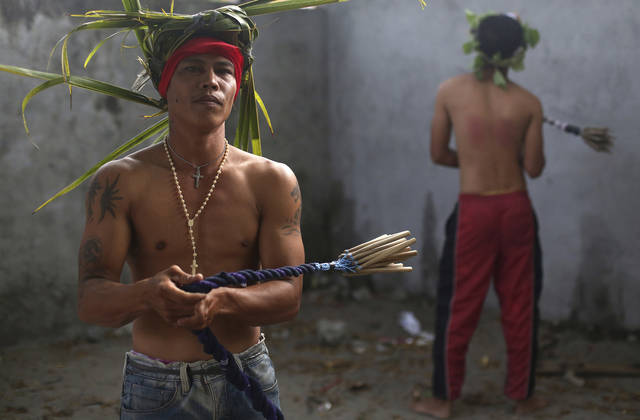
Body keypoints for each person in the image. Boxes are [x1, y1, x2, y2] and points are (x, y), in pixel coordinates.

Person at [76, 34, 304, 419]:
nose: (210, 81)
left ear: (236, 89)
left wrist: (223, 300)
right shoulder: (120, 181)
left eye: (223, 71)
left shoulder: (272, 181)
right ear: (165, 85)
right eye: (192, 69)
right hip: (157, 384)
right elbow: (90, 301)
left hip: (247, 377)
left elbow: (288, 295)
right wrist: (149, 294)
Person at [412, 12, 546, 418]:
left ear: (476, 43)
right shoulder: (528, 102)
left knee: (458, 305)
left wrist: (471, 160)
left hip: (475, 210)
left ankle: (443, 399)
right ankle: (523, 399)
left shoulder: (450, 92)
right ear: (518, 52)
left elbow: (437, 153)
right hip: (516, 209)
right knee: (521, 305)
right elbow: (535, 167)